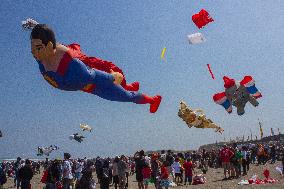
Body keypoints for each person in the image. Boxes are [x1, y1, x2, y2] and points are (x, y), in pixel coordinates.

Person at [27, 23, 162, 113]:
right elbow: (44, 40)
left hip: (96, 84)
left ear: (50, 46)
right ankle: (128, 86)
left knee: (127, 96)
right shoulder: (42, 57)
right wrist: (36, 26)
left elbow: (94, 75)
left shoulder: (72, 66)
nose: (34, 52)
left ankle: (152, 100)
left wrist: (112, 77)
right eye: (32, 48)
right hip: (86, 81)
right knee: (121, 87)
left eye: (38, 48)